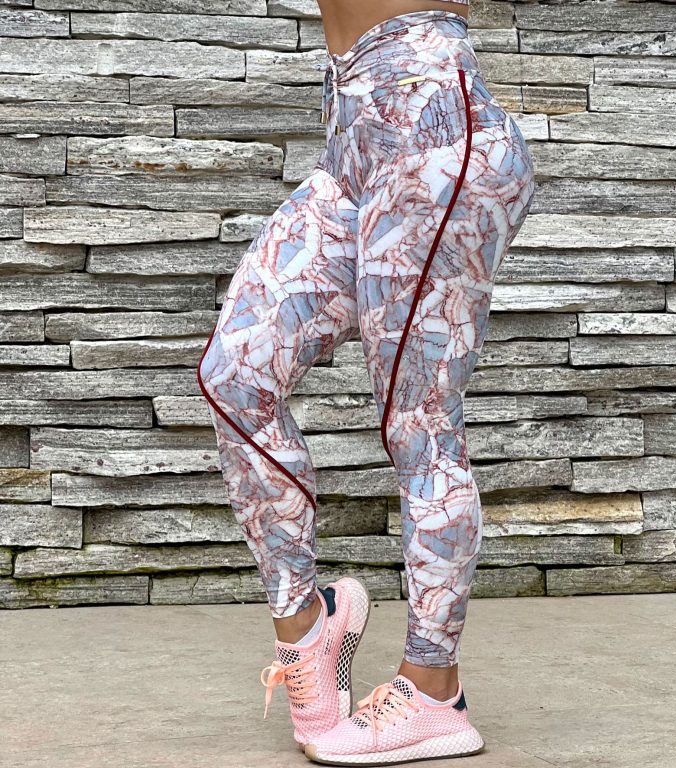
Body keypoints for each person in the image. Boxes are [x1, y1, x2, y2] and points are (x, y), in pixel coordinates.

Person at [196, 0, 536, 763]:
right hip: (352, 135)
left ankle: (435, 691)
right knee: (234, 377)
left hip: (432, 124)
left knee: (419, 421)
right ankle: (309, 624)